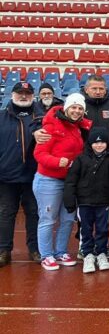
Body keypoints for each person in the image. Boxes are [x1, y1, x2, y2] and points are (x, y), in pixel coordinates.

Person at [33, 93, 92, 270]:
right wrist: (57, 162)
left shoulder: (78, 127)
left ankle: (60, 251)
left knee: (67, 219)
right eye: (73, 107)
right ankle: (46, 255)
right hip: (48, 180)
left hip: (69, 182)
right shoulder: (51, 126)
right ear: (66, 108)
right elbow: (39, 154)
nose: (76, 111)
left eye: (80, 108)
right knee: (48, 219)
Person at [62, 127, 109, 273]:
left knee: (103, 229)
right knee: (85, 229)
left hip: (103, 202)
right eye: (96, 142)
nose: (99, 145)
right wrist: (70, 201)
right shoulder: (80, 159)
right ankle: (87, 254)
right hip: (84, 202)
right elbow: (71, 181)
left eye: (103, 142)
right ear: (90, 143)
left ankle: (102, 253)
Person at [0, 82, 42, 266]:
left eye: (27, 93)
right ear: (12, 94)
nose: (23, 96)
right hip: (6, 176)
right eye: (20, 93)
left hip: (34, 176)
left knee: (34, 213)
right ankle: (3, 250)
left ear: (33, 95)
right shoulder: (1, 117)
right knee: (6, 214)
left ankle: (35, 249)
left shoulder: (42, 117)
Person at [81, 75, 109, 148]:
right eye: (94, 88)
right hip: (84, 152)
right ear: (86, 90)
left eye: (101, 89)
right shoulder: (79, 106)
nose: (98, 92)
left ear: (105, 90)